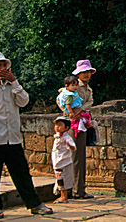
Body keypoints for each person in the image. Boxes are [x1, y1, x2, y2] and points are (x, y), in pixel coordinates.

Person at [0, 52, 53, 219]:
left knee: (21, 172)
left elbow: (24, 102)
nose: (2, 68)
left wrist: (14, 82)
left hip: (12, 136)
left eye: (4, 65)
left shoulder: (13, 86)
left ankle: (34, 204)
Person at [70, 59, 96, 199]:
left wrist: (81, 110)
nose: (86, 75)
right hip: (73, 123)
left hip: (82, 122)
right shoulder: (74, 86)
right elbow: (62, 99)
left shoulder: (88, 88)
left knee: (80, 156)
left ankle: (80, 189)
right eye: (83, 72)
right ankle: (75, 190)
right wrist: (71, 111)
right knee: (75, 157)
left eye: (88, 72)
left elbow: (90, 103)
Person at [51, 116, 76, 203]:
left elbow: (73, 147)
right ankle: (62, 195)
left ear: (66, 128)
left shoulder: (67, 138)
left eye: (60, 125)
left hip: (64, 162)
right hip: (57, 162)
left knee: (63, 179)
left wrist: (68, 144)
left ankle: (64, 196)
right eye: (56, 125)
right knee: (59, 179)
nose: (57, 127)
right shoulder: (57, 137)